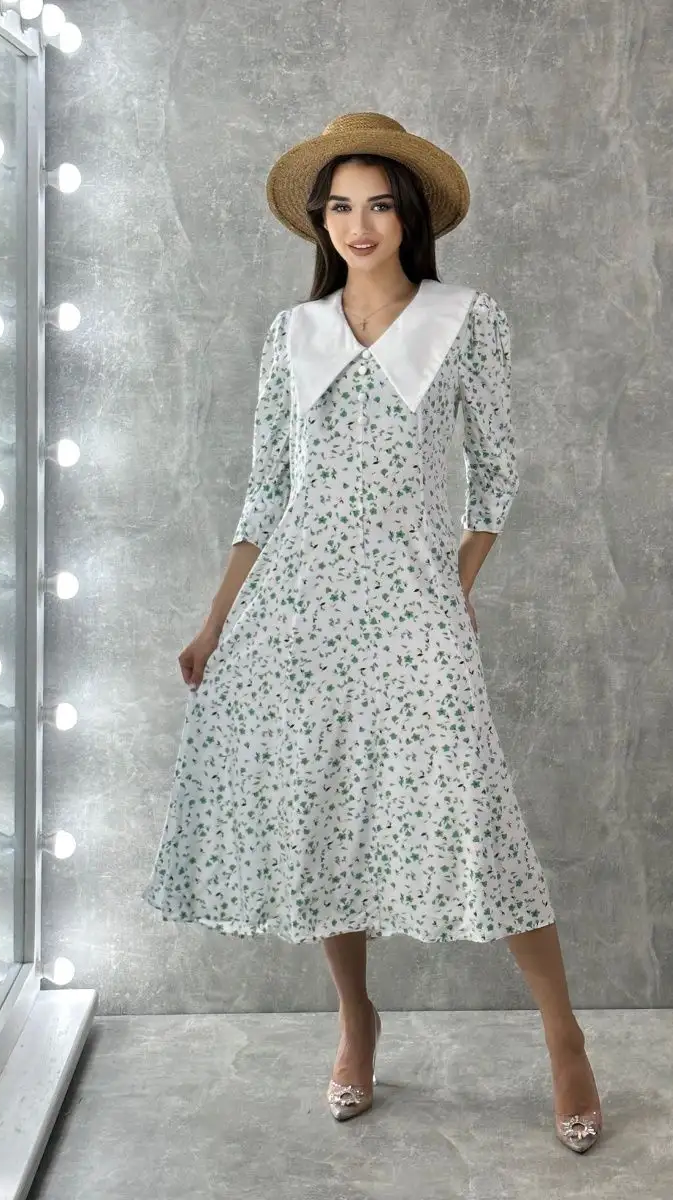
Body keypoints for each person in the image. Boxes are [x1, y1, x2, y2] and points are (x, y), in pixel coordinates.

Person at [142, 112, 603, 1153]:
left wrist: (453, 585)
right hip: (294, 607)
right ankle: (355, 1021)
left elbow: (498, 473)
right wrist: (215, 622)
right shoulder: (291, 335)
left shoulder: (465, 320)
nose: (359, 225)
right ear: (321, 222)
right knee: (326, 818)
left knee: (475, 813)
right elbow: (265, 493)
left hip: (411, 606)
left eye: (380, 205)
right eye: (341, 207)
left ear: (410, 216)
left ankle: (564, 1038)